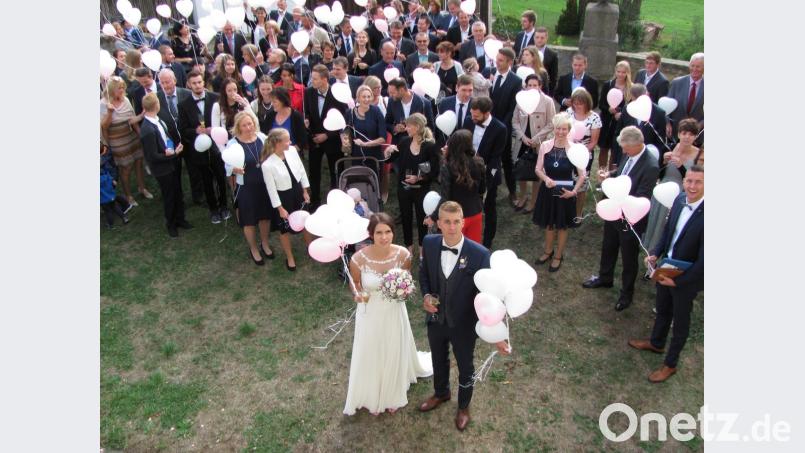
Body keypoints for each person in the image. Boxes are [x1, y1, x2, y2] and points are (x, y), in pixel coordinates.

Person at [418, 201, 509, 431]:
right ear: (438, 223)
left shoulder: (479, 254)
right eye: (446, 222)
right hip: (436, 320)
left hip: (464, 324)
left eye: (456, 221)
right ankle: (441, 393)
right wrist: (427, 295)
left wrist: (498, 335)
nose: (451, 227)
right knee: (438, 358)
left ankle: (464, 406)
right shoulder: (429, 244)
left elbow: (488, 296)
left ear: (463, 222)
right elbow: (424, 273)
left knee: (466, 366)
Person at [344, 213, 432, 416]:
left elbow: (406, 277)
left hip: (394, 310)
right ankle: (372, 392)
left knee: (393, 348)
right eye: (379, 233)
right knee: (372, 350)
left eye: (388, 232)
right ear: (371, 234)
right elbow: (355, 284)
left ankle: (393, 391)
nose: (384, 237)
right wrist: (357, 294)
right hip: (370, 313)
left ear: (393, 232)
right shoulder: (358, 259)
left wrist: (404, 289)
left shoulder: (403, 255)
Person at [629, 165, 704, 383]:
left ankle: (670, 364)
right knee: (662, 309)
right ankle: (656, 343)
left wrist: (680, 282)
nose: (691, 186)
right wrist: (655, 253)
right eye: (689, 181)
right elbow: (668, 231)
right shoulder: (680, 201)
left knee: (680, 322)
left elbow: (705, 261)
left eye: (698, 182)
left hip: (686, 279)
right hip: (665, 269)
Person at [582, 126, 659, 311]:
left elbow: (643, 196)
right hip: (613, 212)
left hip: (632, 220)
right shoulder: (630, 154)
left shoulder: (650, 166)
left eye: (626, 148)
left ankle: (626, 294)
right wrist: (609, 175)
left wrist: (622, 203)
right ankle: (605, 277)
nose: (623, 151)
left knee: (628, 257)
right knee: (608, 246)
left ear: (638, 144)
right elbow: (623, 173)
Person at [532, 113, 586, 272]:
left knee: (562, 226)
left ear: (569, 130)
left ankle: (558, 256)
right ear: (553, 129)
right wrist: (545, 178)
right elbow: (537, 169)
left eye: (564, 129)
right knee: (549, 223)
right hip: (548, 191)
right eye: (558, 129)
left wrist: (574, 192)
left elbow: (582, 175)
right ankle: (548, 251)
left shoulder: (574, 149)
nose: (561, 132)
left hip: (565, 193)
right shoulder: (545, 146)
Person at [177, 70, 231, 224]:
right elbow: (183, 129)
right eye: (194, 83)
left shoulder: (215, 99)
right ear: (189, 85)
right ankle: (213, 209)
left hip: (216, 146)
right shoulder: (184, 105)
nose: (197, 85)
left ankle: (224, 206)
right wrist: (195, 131)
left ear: (204, 82)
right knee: (206, 180)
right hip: (199, 150)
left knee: (221, 178)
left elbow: (223, 121)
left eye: (200, 82)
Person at [384, 113, 441, 255]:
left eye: (409, 125)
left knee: (422, 217)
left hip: (421, 189)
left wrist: (419, 178)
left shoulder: (429, 146)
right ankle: (408, 246)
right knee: (406, 216)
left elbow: (434, 171)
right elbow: (390, 160)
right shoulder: (404, 142)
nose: (406, 128)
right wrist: (388, 152)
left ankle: (422, 248)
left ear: (417, 127)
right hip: (404, 188)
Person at [643, 119, 702, 254]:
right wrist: (662, 161)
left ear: (695, 136)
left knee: (667, 227)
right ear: (679, 134)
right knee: (655, 221)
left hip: (682, 193)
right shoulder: (669, 147)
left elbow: (697, 180)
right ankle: (650, 253)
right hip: (663, 189)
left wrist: (681, 167)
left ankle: (660, 256)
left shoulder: (699, 155)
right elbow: (658, 172)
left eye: (691, 134)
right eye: (684, 133)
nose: (687, 137)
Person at [224, 112, 275, 265]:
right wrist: (234, 170)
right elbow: (227, 166)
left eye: (250, 123)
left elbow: (272, 156)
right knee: (249, 220)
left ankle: (265, 243)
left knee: (265, 217)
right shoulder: (233, 144)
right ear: (238, 127)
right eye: (244, 125)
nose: (248, 127)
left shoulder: (261, 137)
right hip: (246, 187)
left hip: (264, 185)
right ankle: (253, 248)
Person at [139, 93, 192, 238]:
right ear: (157, 105)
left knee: (177, 192)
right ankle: (171, 224)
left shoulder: (158, 120)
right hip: (162, 169)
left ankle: (181, 219)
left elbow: (166, 138)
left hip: (171, 163)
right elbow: (152, 156)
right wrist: (173, 154)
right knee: (169, 196)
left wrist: (173, 149)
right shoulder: (147, 129)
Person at [260, 128, 312, 271]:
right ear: (277, 143)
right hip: (283, 197)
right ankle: (289, 257)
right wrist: (280, 208)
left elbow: (301, 170)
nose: (290, 142)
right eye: (287, 140)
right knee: (284, 229)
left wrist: (305, 191)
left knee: (305, 221)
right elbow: (271, 189)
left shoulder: (293, 151)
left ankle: (310, 247)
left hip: (297, 192)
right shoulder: (267, 165)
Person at [425, 130, 486, 243]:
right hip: (475, 213)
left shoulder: (447, 168)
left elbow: (445, 198)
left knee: (456, 251)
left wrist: (433, 217)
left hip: (456, 218)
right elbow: (482, 189)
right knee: (472, 250)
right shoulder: (479, 162)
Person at [100, 76, 150, 206]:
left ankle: (142, 188)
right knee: (126, 168)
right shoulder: (103, 104)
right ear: (111, 90)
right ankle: (128, 195)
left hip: (131, 136)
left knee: (139, 162)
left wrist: (141, 118)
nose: (122, 90)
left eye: (123, 87)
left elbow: (131, 120)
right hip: (117, 140)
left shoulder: (126, 100)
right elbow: (104, 126)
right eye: (119, 88)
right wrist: (110, 113)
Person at [304, 65, 348, 208]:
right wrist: (307, 122)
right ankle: (315, 201)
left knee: (335, 171)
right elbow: (309, 113)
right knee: (314, 172)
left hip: (333, 140)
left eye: (315, 78)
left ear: (324, 79)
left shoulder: (337, 93)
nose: (312, 81)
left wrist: (327, 135)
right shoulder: (309, 92)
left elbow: (343, 120)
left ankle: (336, 202)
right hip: (315, 139)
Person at [467, 96, 508, 248]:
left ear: (486, 113)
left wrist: (486, 183)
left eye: (476, 116)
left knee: (489, 208)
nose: (472, 118)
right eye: (472, 114)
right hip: (467, 171)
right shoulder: (468, 121)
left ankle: (487, 241)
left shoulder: (500, 129)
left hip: (487, 173)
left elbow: (495, 157)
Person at [511, 74, 555, 213]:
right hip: (523, 141)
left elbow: (551, 123)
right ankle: (523, 197)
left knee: (537, 172)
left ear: (540, 86)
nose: (532, 88)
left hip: (539, 142)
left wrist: (537, 137)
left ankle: (534, 201)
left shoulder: (547, 101)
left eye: (535, 85)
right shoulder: (520, 100)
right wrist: (522, 137)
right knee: (522, 169)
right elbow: (515, 121)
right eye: (529, 85)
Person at [156, 69, 199, 204]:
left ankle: (198, 196)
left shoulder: (186, 94)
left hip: (188, 139)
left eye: (168, 82)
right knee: (175, 172)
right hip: (171, 142)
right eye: (162, 83)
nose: (166, 86)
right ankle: (178, 198)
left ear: (174, 80)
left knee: (194, 169)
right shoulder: (157, 98)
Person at [489, 47, 522, 207]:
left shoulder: (515, 81)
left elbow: (512, 108)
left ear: (510, 62)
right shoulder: (489, 73)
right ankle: (488, 189)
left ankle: (512, 191)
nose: (497, 62)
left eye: (501, 60)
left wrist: (501, 127)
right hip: (487, 123)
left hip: (503, 127)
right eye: (497, 59)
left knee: (506, 160)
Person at [612, 84, 668, 167]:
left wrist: (657, 162)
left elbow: (660, 140)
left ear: (647, 94)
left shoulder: (659, 113)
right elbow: (618, 133)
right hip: (626, 155)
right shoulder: (627, 109)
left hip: (647, 157)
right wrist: (616, 160)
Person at [566, 87, 601, 219]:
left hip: (584, 155)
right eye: (575, 103)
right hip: (567, 152)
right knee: (568, 181)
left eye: (580, 103)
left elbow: (593, 141)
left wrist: (579, 153)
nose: (577, 106)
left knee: (582, 184)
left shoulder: (594, 118)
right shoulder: (569, 113)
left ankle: (578, 213)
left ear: (587, 103)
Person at [598, 61, 633, 171]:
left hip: (620, 124)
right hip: (607, 122)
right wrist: (609, 109)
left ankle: (611, 174)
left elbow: (631, 106)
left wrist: (622, 114)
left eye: (623, 72)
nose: (621, 74)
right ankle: (602, 171)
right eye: (618, 72)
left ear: (627, 73)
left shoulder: (631, 88)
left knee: (615, 150)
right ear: (615, 71)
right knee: (603, 148)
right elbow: (601, 104)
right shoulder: (608, 85)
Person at [349, 85, 388, 177]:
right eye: (364, 97)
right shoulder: (350, 113)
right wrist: (344, 139)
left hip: (374, 156)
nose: (366, 99)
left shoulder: (376, 111)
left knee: (374, 185)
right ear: (358, 98)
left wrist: (365, 144)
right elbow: (345, 130)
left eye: (369, 96)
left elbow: (383, 138)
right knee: (358, 184)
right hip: (357, 156)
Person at [385, 78, 435, 146]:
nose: (390, 95)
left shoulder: (424, 103)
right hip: (399, 145)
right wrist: (395, 128)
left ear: (402, 90)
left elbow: (430, 127)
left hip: (419, 144)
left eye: (393, 93)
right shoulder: (392, 101)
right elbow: (386, 123)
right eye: (389, 93)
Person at [666, 53, 704, 140]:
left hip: (696, 136)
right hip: (675, 133)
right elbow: (666, 107)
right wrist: (667, 123)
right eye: (692, 65)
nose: (694, 69)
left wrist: (698, 126)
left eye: (698, 66)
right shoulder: (677, 83)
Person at [265, 86, 308, 151]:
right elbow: (265, 136)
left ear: (283, 101)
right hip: (273, 154)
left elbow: (303, 141)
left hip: (292, 154)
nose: (272, 104)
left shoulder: (296, 116)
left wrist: (289, 153)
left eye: (274, 102)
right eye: (272, 102)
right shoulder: (270, 116)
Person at [100, 144, 132, 229]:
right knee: (115, 207)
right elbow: (110, 177)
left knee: (108, 211)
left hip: (103, 199)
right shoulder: (105, 173)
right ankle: (124, 218)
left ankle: (110, 225)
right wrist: (113, 181)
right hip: (111, 195)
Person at [533, 27, 558, 95]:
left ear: (546, 38)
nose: (539, 40)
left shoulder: (552, 55)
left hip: (544, 91)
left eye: (542, 38)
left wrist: (550, 95)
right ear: (534, 38)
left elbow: (553, 78)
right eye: (537, 37)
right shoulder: (528, 51)